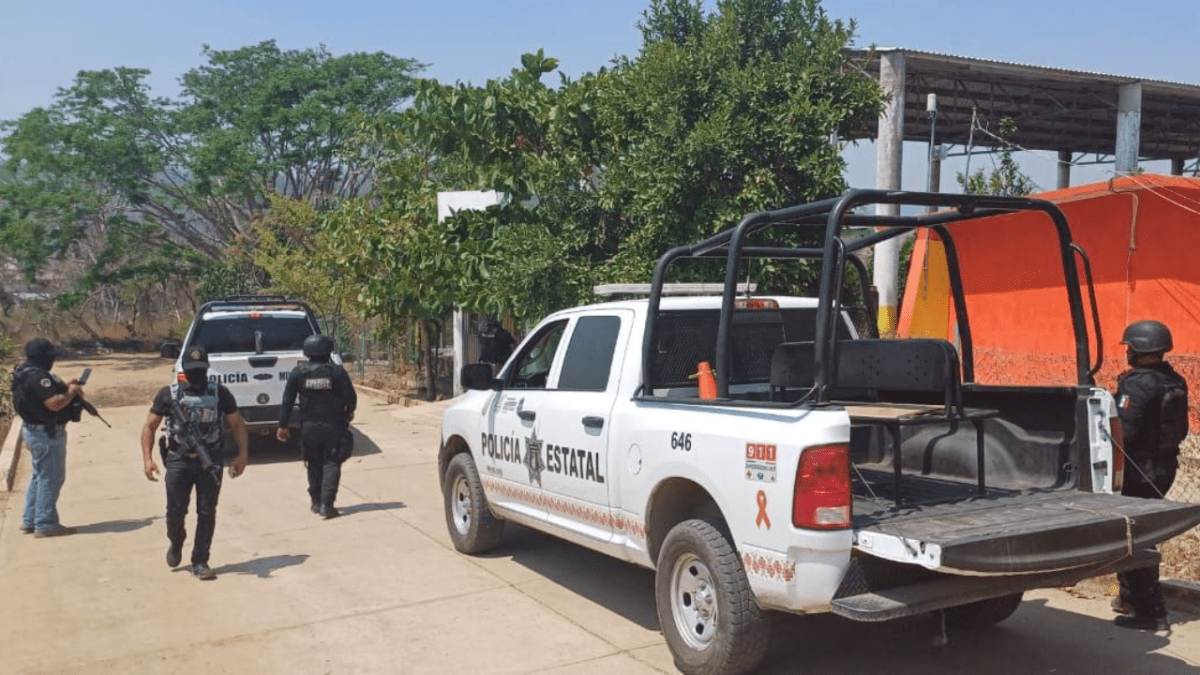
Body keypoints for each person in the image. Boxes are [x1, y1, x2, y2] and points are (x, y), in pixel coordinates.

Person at [141, 346, 249, 580]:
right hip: (179, 460)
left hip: (210, 461)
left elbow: (237, 424)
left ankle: (200, 560)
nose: (196, 376)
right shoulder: (168, 394)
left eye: (200, 371)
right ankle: (176, 541)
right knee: (175, 511)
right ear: (184, 371)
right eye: (192, 371)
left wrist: (242, 455)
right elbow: (150, 426)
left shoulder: (220, 393)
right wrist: (147, 459)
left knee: (207, 511)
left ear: (207, 369)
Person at [1111, 319, 1189, 631]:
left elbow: (1123, 433)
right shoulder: (1174, 380)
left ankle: (1150, 613)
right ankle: (1130, 598)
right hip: (1164, 467)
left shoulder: (1138, 384)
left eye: (1130, 346)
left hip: (1139, 470)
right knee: (1138, 533)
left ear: (1141, 348)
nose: (1127, 352)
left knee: (1136, 538)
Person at [276, 335, 356, 519]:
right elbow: (350, 398)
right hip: (333, 426)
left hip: (309, 428)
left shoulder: (299, 372)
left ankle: (315, 502)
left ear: (307, 352)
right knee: (331, 463)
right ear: (328, 351)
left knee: (313, 464)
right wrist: (348, 413)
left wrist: (283, 425)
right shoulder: (337, 372)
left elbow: (287, 401)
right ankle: (327, 505)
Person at [11, 338, 84, 537]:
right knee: (51, 478)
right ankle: (45, 523)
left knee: (39, 477)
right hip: (46, 434)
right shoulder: (38, 378)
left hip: (33, 431)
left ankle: (30, 520)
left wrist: (65, 387)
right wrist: (71, 393)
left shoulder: (24, 373)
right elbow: (54, 403)